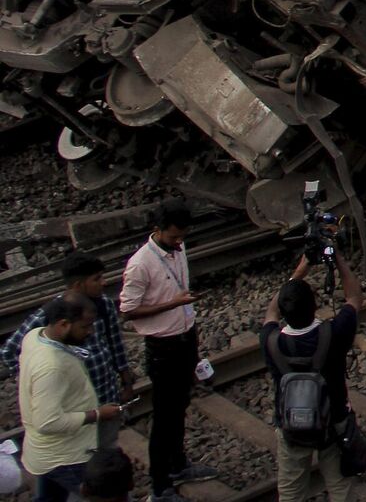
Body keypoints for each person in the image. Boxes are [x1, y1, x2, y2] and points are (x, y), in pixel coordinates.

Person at [118, 200, 214, 497]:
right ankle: (160, 486)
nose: (179, 242)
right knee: (164, 418)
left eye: (182, 237)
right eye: (173, 237)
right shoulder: (140, 264)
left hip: (185, 336)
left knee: (180, 407)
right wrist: (174, 303)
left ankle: (178, 464)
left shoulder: (178, 248)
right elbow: (128, 311)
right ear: (156, 230)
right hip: (163, 346)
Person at [261, 246, 363, 502]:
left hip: (291, 425)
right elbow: (354, 298)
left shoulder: (271, 341)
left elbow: (272, 312)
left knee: (291, 492)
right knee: (341, 488)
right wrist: (338, 259)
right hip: (334, 423)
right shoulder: (334, 332)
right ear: (315, 305)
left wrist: (302, 267)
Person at [0, 254, 130, 449]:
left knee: (106, 448)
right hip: (75, 406)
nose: (104, 283)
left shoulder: (104, 305)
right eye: (96, 279)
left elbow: (115, 343)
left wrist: (126, 379)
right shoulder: (53, 313)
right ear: (78, 285)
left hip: (105, 393)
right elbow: (10, 351)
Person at [18, 295, 121, 502]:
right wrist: (98, 414)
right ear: (63, 324)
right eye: (85, 327)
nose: (90, 332)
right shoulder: (51, 367)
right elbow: (47, 422)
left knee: (50, 496)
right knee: (104, 496)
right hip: (66, 456)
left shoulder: (36, 335)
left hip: (47, 454)